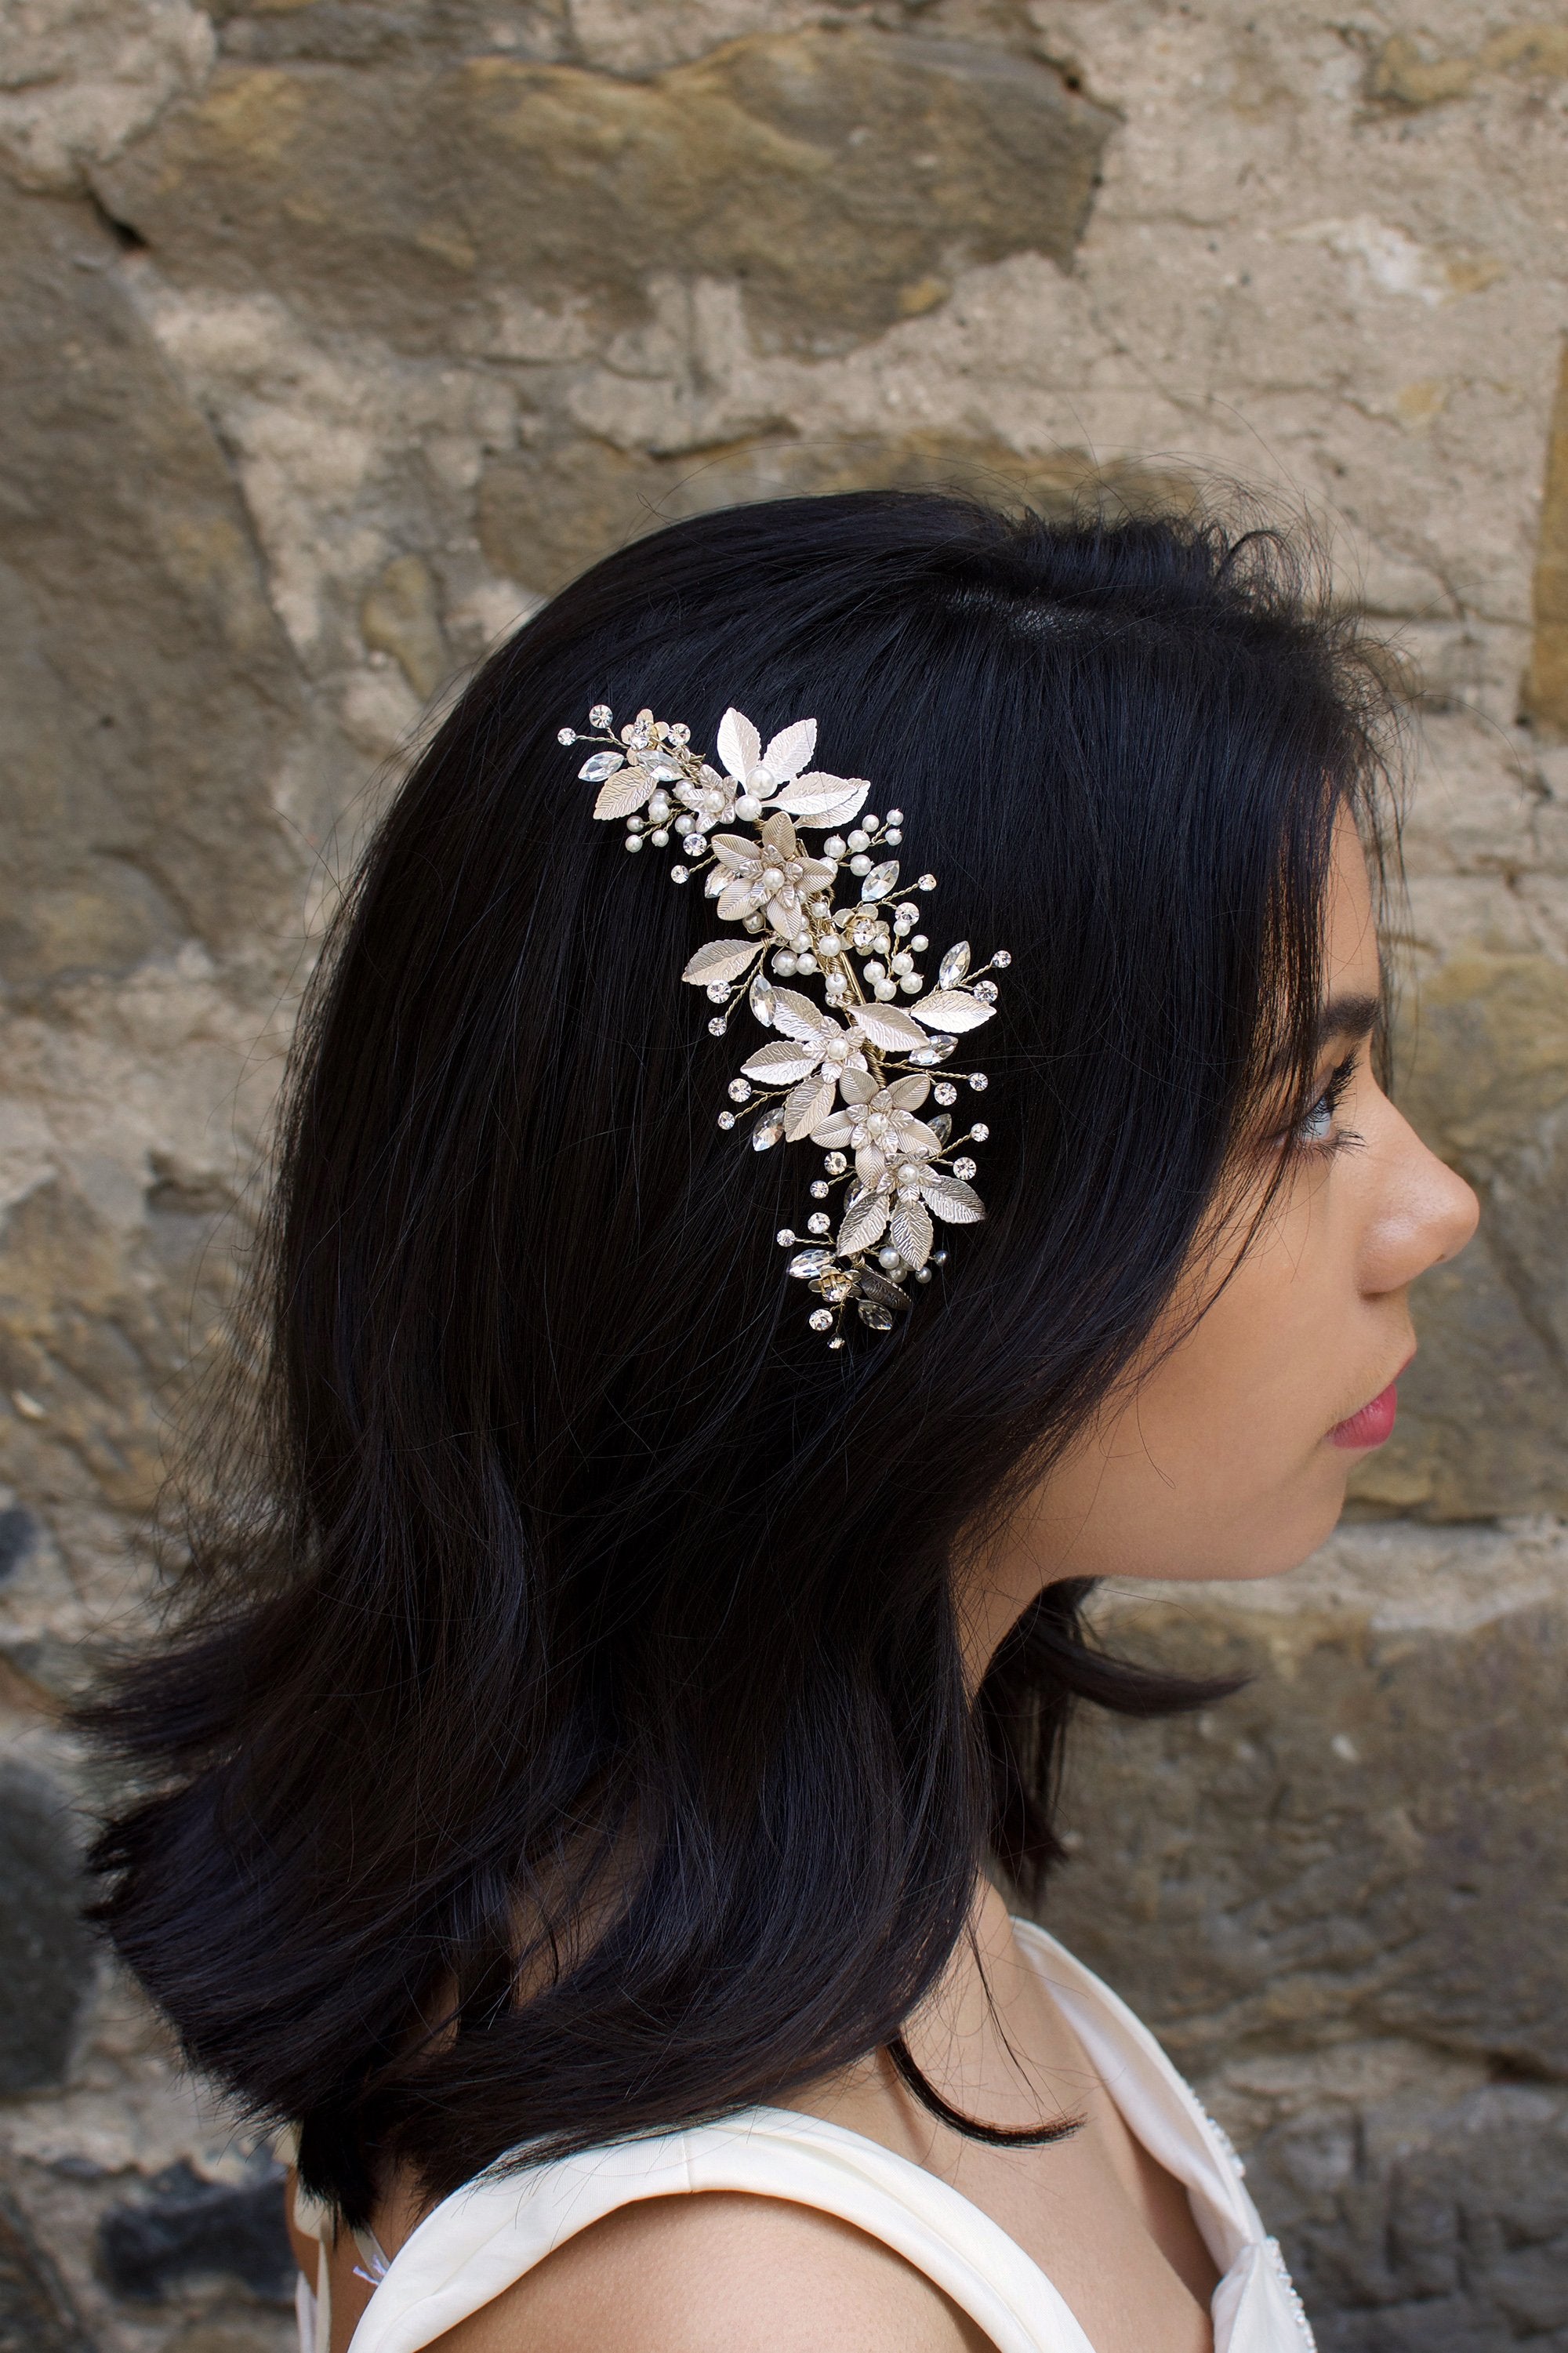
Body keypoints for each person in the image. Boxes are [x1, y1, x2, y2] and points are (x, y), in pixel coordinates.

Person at [83, 492, 1478, 2353]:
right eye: (1302, 1104)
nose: (1431, 1203)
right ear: (889, 1244)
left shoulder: (793, 1905)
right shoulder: (746, 2306)